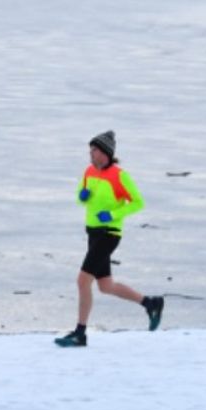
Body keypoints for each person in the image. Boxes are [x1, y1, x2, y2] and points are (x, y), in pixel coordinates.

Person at [55, 130, 164, 347]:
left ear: (105, 153)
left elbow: (137, 203)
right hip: (93, 233)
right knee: (105, 286)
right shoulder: (88, 171)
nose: (91, 154)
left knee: (82, 280)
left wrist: (113, 215)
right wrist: (82, 196)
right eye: (90, 150)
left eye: (94, 150)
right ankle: (150, 303)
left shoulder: (119, 175)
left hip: (109, 234)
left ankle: (80, 333)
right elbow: (80, 196)